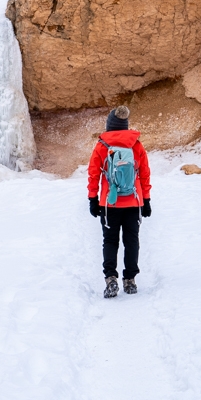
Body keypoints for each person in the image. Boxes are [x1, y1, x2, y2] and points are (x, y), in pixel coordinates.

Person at [87, 105, 151, 298]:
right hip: (133, 201)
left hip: (110, 202)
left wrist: (93, 198)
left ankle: (111, 278)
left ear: (109, 126)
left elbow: (93, 173)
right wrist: (146, 199)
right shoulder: (136, 145)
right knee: (132, 241)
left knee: (110, 241)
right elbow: (144, 174)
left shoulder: (102, 146)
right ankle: (130, 280)